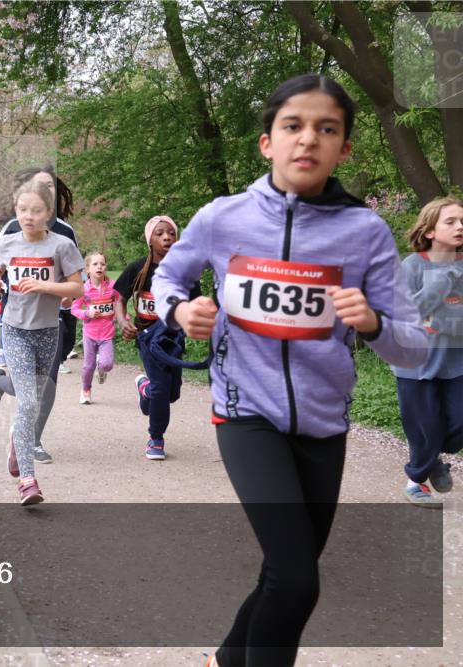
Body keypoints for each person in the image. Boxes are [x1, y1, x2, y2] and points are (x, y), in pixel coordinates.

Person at [149, 75, 426, 667]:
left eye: (327, 129)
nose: (309, 139)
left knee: (285, 572)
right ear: (266, 143)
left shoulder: (365, 233)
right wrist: (181, 309)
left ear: (345, 149)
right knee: (299, 581)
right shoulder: (224, 218)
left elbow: (413, 349)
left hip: (324, 425)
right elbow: (167, 278)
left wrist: (373, 323)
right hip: (245, 413)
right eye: (293, 126)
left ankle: (224, 659)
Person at [0, 179, 84, 505]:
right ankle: (28, 480)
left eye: (36, 210)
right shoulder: (9, 242)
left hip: (47, 331)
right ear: (16, 211)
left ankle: (2, 385)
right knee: (27, 404)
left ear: (48, 213)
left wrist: (45, 288)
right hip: (14, 329)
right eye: (23, 210)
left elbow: (77, 288)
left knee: (34, 400)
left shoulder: (61, 246)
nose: (28, 216)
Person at [391, 196, 463, 507]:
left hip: (457, 363)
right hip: (415, 366)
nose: (460, 226)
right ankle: (416, 480)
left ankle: (431, 455)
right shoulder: (412, 266)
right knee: (425, 427)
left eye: (462, 221)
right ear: (430, 230)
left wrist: (440, 318)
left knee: (459, 423)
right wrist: (438, 292)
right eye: (451, 221)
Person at [114, 216, 202, 459]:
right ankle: (156, 438)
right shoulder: (138, 268)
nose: (167, 238)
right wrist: (123, 321)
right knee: (162, 389)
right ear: (149, 240)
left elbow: (195, 306)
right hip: (146, 337)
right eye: (160, 233)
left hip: (173, 338)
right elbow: (119, 298)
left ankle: (145, 389)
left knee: (171, 393)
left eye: (171, 233)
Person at [71, 251, 117, 405]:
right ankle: (85, 390)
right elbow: (74, 309)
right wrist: (87, 313)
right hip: (90, 334)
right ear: (87, 269)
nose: (99, 267)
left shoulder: (112, 287)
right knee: (88, 366)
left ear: (106, 267)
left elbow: (120, 305)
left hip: (107, 334)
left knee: (107, 364)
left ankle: (102, 368)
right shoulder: (83, 289)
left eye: (102, 264)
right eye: (95, 264)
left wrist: (124, 320)